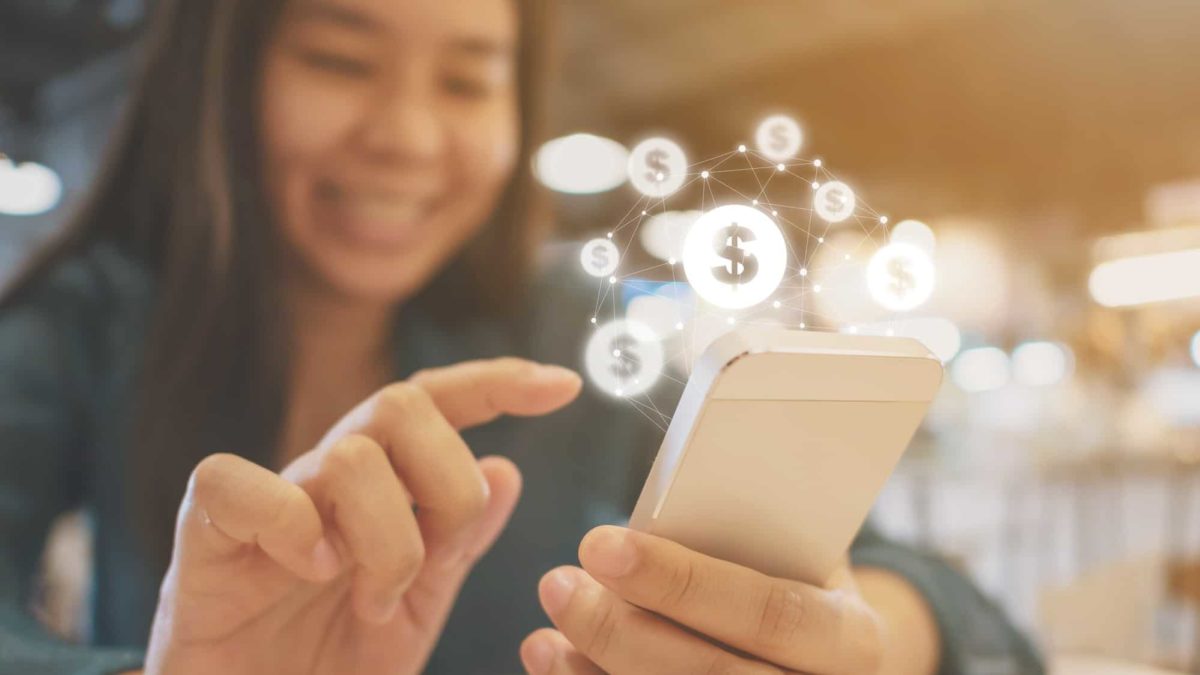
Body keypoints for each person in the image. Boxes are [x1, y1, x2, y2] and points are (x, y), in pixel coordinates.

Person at [0, 0, 1045, 673]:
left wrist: (863, 643)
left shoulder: (564, 337)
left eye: (466, 80)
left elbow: (974, 623)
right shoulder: (91, 321)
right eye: (337, 58)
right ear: (220, 72)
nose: (408, 136)